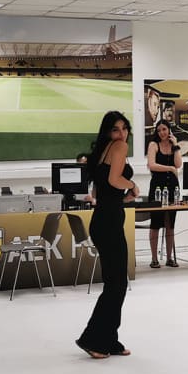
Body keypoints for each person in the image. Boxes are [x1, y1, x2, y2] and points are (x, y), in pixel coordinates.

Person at [76, 111, 139, 360]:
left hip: (104, 219)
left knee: (116, 283)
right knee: (117, 284)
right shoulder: (119, 147)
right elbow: (114, 180)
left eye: (124, 128)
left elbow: (102, 193)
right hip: (109, 223)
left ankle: (109, 340)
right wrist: (133, 185)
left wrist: (125, 197)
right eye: (115, 129)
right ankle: (93, 339)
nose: (121, 134)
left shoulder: (103, 151)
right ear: (107, 132)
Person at [145, 122, 183, 268]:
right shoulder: (153, 145)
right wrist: (170, 168)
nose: (162, 132)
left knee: (170, 225)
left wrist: (176, 146)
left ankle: (169, 258)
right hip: (157, 188)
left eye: (164, 129)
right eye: (159, 130)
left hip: (173, 188)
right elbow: (152, 165)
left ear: (169, 130)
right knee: (155, 224)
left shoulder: (173, 145)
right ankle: (154, 259)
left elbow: (178, 164)